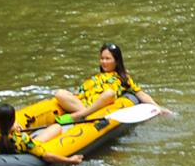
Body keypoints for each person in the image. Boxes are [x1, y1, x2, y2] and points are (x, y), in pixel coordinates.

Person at [44, 44, 172, 124]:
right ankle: (85, 112)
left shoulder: (123, 78)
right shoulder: (96, 77)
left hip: (103, 103)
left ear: (116, 61)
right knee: (59, 93)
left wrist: (157, 107)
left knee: (109, 93)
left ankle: (80, 115)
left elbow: (140, 93)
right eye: (102, 59)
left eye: (107, 59)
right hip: (84, 104)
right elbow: (79, 93)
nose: (104, 62)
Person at [0, 102, 81, 166]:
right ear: (12, 122)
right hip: (28, 149)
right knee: (57, 127)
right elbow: (46, 156)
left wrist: (13, 129)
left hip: (7, 143)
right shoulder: (22, 139)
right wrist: (70, 160)